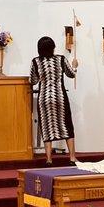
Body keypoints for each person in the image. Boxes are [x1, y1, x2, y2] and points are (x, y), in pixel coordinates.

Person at [30, 36, 78, 166]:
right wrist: (75, 66)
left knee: (46, 126)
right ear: (53, 47)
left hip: (44, 98)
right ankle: (72, 158)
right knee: (67, 125)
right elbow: (71, 74)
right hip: (59, 97)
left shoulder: (35, 61)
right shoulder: (61, 59)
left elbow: (33, 81)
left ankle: (49, 159)